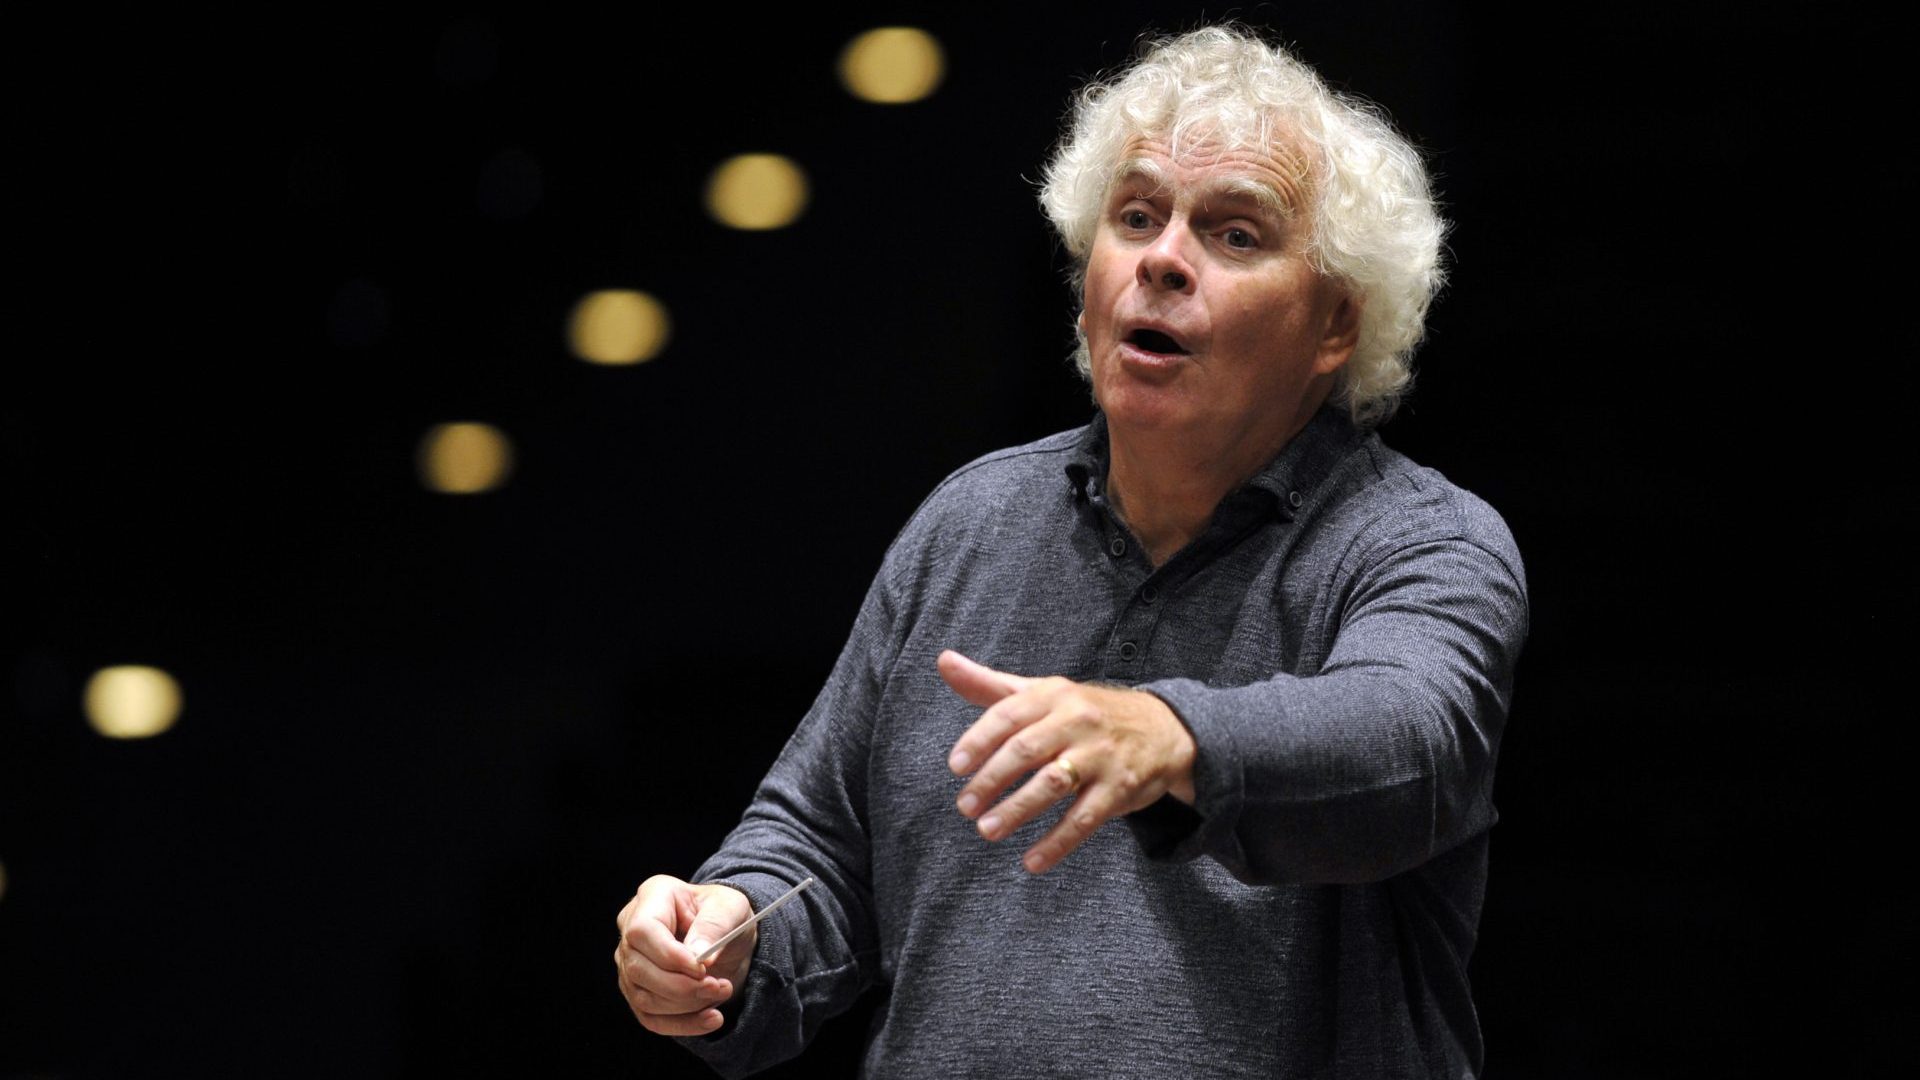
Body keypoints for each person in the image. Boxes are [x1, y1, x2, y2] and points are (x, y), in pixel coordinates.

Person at [615, 24, 1526, 1079]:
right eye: (1136, 217)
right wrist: (719, 927)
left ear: (1334, 325)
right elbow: (822, 846)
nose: (1163, 260)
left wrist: (1169, 735)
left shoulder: (1420, 541)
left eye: (1234, 235)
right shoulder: (971, 523)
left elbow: (1409, 747)